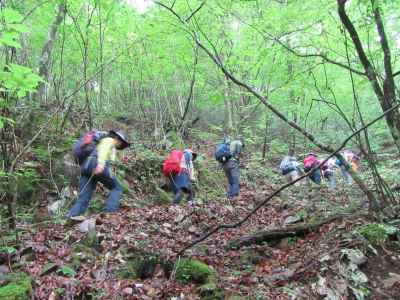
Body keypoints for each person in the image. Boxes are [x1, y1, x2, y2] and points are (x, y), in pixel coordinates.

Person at [67, 130, 130, 218]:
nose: (121, 145)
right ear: (118, 139)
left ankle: (71, 217)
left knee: (84, 197)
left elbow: (111, 159)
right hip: (95, 163)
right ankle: (110, 213)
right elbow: (103, 151)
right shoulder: (109, 140)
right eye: (122, 143)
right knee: (117, 187)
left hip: (85, 167)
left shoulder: (100, 142)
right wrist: (100, 164)